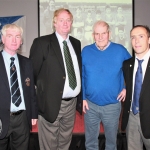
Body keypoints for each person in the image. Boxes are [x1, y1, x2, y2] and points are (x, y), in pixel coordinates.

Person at [29, 8, 82, 150]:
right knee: (49, 144)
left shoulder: (76, 43)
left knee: (65, 142)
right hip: (50, 103)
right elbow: (32, 74)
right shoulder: (42, 43)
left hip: (71, 104)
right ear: (54, 23)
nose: (65, 23)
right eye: (61, 20)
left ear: (72, 23)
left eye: (68, 20)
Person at [82, 20, 131, 150]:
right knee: (90, 143)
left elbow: (132, 69)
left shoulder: (120, 50)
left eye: (103, 33)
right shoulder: (86, 51)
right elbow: (81, 76)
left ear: (109, 34)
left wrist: (127, 88)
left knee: (111, 143)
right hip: (90, 105)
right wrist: (82, 98)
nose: (100, 37)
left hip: (112, 106)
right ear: (93, 35)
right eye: (97, 34)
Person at [0, 24, 38, 150]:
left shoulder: (27, 63)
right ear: (3, 39)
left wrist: (33, 114)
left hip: (22, 117)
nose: (14, 40)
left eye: (17, 36)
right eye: (10, 36)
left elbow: (31, 91)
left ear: (21, 41)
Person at [121, 25, 150, 150]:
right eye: (133, 37)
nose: (136, 41)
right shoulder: (128, 64)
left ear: (149, 40)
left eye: (141, 36)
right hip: (131, 118)